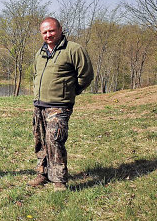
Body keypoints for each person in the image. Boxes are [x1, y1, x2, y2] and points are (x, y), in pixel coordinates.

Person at [28, 17, 94, 191]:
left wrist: (72, 91)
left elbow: (86, 75)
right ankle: (42, 173)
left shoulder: (73, 49)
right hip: (39, 104)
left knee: (54, 139)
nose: (48, 35)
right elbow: (35, 74)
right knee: (40, 140)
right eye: (44, 32)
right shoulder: (40, 52)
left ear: (60, 29)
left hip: (59, 105)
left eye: (51, 30)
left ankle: (59, 180)